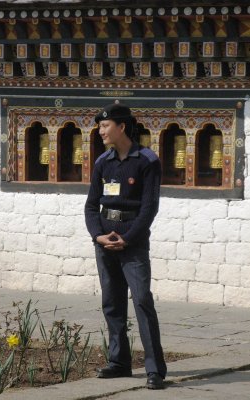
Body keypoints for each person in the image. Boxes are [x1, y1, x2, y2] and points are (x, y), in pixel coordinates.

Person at [84, 102, 167, 390]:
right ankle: (118, 362)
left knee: (142, 300)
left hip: (132, 242)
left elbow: (149, 208)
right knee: (112, 302)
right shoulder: (102, 162)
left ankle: (155, 368)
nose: (101, 131)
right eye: (99, 127)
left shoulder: (146, 161)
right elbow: (92, 206)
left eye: (105, 126)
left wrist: (128, 238)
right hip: (105, 242)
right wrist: (98, 236)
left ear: (121, 127)